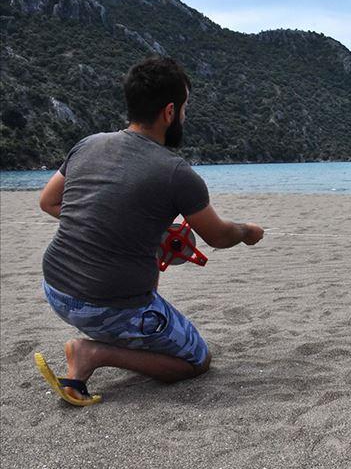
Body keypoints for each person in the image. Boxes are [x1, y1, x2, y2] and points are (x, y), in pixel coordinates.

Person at [35, 56, 264, 406]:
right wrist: (247, 231)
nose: (185, 116)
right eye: (185, 108)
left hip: (55, 288)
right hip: (105, 305)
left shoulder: (89, 144)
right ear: (170, 112)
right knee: (196, 361)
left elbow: (49, 202)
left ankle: (101, 343)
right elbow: (218, 236)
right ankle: (91, 353)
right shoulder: (176, 172)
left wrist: (127, 230)